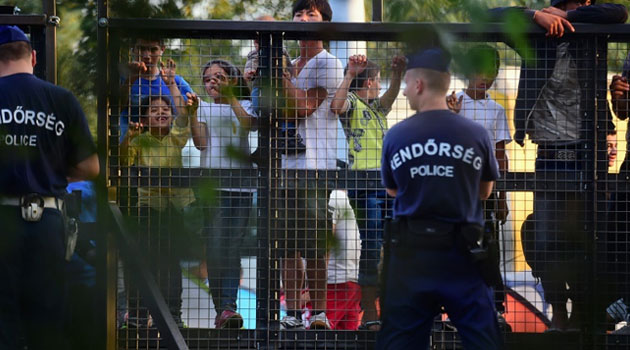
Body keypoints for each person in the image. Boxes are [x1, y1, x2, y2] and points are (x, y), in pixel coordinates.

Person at [489, 0, 628, 331]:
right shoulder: (536, 33)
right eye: (575, 5)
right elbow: (489, 16)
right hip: (550, 152)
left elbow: (618, 12)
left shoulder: (590, 29)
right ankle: (558, 312)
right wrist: (535, 17)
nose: (585, 6)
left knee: (592, 240)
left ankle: (584, 314)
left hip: (588, 153)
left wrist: (569, 18)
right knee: (546, 238)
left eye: (585, 5)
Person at [376, 47, 502, 350]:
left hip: (412, 254)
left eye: (406, 84)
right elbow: (485, 192)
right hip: (465, 252)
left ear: (418, 84)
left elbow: (393, 191)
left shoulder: (396, 135)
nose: (405, 92)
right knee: (482, 338)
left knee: (400, 340)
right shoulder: (476, 134)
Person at [0, 25, 99, 350]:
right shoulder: (61, 99)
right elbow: (90, 167)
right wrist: (52, 175)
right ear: (33, 56)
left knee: (5, 319)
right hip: (47, 220)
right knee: (47, 319)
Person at [278, 0, 344, 330]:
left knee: (315, 244)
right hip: (285, 166)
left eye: (311, 14)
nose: (303, 19)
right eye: (299, 13)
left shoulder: (327, 63)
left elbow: (303, 107)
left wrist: (283, 77)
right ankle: (290, 314)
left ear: (325, 23)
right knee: (287, 246)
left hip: (315, 166)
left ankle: (317, 313)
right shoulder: (292, 64)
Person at [120, 62, 199, 327]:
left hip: (173, 209)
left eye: (165, 110)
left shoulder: (175, 137)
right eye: (154, 111)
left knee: (171, 264)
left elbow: (184, 123)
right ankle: (139, 314)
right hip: (148, 208)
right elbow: (124, 160)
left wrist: (189, 109)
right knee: (144, 260)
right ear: (144, 118)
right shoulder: (139, 139)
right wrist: (128, 138)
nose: (161, 114)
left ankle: (173, 315)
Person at [330, 53, 405, 330]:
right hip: (363, 184)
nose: (381, 87)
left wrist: (397, 74)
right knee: (372, 246)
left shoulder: (376, 108)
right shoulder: (353, 103)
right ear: (371, 82)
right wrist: (349, 75)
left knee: (392, 245)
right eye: (378, 81)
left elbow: (392, 94)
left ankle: (389, 309)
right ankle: (370, 312)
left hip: (386, 183)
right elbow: (336, 107)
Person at [446, 44, 511, 319]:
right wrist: (452, 116)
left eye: (491, 72)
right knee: (451, 248)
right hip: (452, 192)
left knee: (486, 249)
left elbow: (500, 156)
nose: (485, 77)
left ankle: (494, 308)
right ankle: (446, 309)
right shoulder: (452, 103)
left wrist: (503, 197)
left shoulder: (495, 109)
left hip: (484, 192)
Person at [191, 59, 257, 329]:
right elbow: (200, 143)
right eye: (208, 79)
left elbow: (249, 125)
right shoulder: (203, 108)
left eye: (219, 77)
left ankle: (227, 307)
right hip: (213, 188)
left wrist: (231, 97)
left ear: (232, 80)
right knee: (217, 246)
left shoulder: (245, 104)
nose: (212, 82)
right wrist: (192, 114)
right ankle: (224, 308)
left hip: (242, 186)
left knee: (233, 246)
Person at [119, 37, 194, 141]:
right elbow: (113, 109)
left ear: (162, 49)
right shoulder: (122, 79)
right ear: (133, 49)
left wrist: (172, 84)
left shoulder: (176, 81)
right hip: (129, 149)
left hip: (166, 151)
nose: (147, 55)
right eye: (141, 49)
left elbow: (189, 115)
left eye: (153, 49)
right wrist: (130, 80)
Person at [326, 190, 362, 330]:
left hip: (334, 280)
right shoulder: (343, 198)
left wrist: (314, 288)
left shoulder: (333, 196)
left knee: (314, 336)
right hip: (350, 279)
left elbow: (328, 235)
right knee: (347, 338)